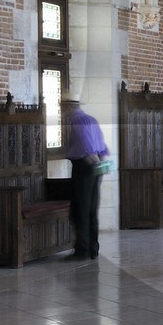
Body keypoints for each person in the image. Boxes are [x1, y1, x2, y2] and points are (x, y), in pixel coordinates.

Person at [64, 100, 108, 261]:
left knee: (79, 209)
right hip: (96, 166)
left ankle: (82, 250)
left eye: (62, 107)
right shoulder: (91, 119)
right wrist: (100, 167)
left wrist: (93, 164)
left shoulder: (76, 120)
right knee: (91, 209)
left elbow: (86, 146)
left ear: (68, 107)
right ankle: (93, 248)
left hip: (84, 167)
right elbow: (102, 147)